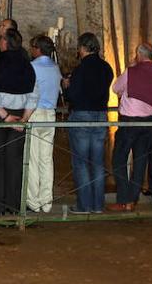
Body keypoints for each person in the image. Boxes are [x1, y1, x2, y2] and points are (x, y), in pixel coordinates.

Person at [0, 28, 38, 216]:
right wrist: (24, 119)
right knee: (15, 162)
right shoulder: (28, 65)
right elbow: (34, 95)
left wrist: (5, 117)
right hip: (20, 116)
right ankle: (14, 205)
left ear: (4, 43)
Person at [108, 43, 152, 212]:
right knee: (140, 161)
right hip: (149, 122)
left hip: (130, 121)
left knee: (118, 159)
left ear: (138, 54)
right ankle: (132, 200)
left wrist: (130, 69)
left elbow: (116, 88)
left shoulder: (132, 71)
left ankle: (123, 199)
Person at [63, 32, 114, 213]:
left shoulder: (81, 69)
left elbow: (73, 96)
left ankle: (84, 205)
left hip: (82, 116)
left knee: (82, 163)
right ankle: (98, 205)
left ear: (83, 48)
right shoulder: (107, 68)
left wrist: (66, 87)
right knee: (98, 163)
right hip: (101, 115)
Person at [26, 34, 61, 213]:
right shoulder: (56, 68)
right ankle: (46, 201)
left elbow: (29, 94)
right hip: (50, 116)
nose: (31, 50)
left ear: (38, 49)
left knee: (32, 159)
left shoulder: (32, 67)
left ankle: (33, 201)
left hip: (35, 114)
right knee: (47, 159)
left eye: (32, 46)